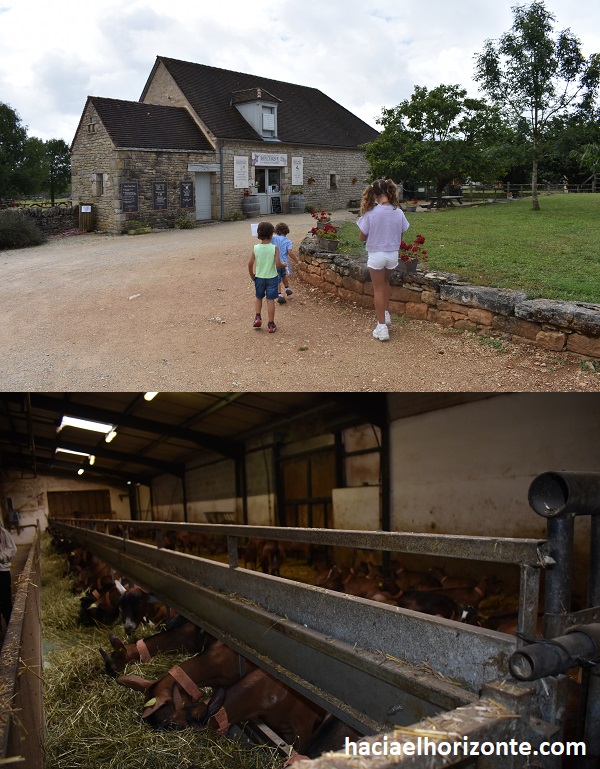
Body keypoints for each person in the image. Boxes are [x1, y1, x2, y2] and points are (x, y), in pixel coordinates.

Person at [357, 179, 410, 341]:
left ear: (374, 194)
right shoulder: (398, 212)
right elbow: (401, 234)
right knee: (386, 283)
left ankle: (381, 327)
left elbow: (361, 237)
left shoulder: (370, 213)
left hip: (376, 254)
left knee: (378, 289)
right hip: (392, 254)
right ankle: (385, 314)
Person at [248, 221, 283, 333]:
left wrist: (252, 275)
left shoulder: (255, 248)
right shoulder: (274, 248)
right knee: (270, 300)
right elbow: (278, 264)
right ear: (271, 234)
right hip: (272, 277)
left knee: (258, 297)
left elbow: (250, 263)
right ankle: (271, 324)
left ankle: (258, 317)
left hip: (259, 277)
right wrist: (284, 264)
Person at [272, 222, 299, 304]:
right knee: (284, 275)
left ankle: (279, 295)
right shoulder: (288, 241)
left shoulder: (273, 238)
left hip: (275, 262)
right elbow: (290, 252)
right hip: (284, 263)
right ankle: (287, 289)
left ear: (276, 230)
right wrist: (298, 261)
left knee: (277, 280)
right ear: (287, 231)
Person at [0, 523, 16, 629]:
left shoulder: (3, 533)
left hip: (2, 571)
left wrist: (1, 556)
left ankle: (11, 628)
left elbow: (12, 549)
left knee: (5, 599)